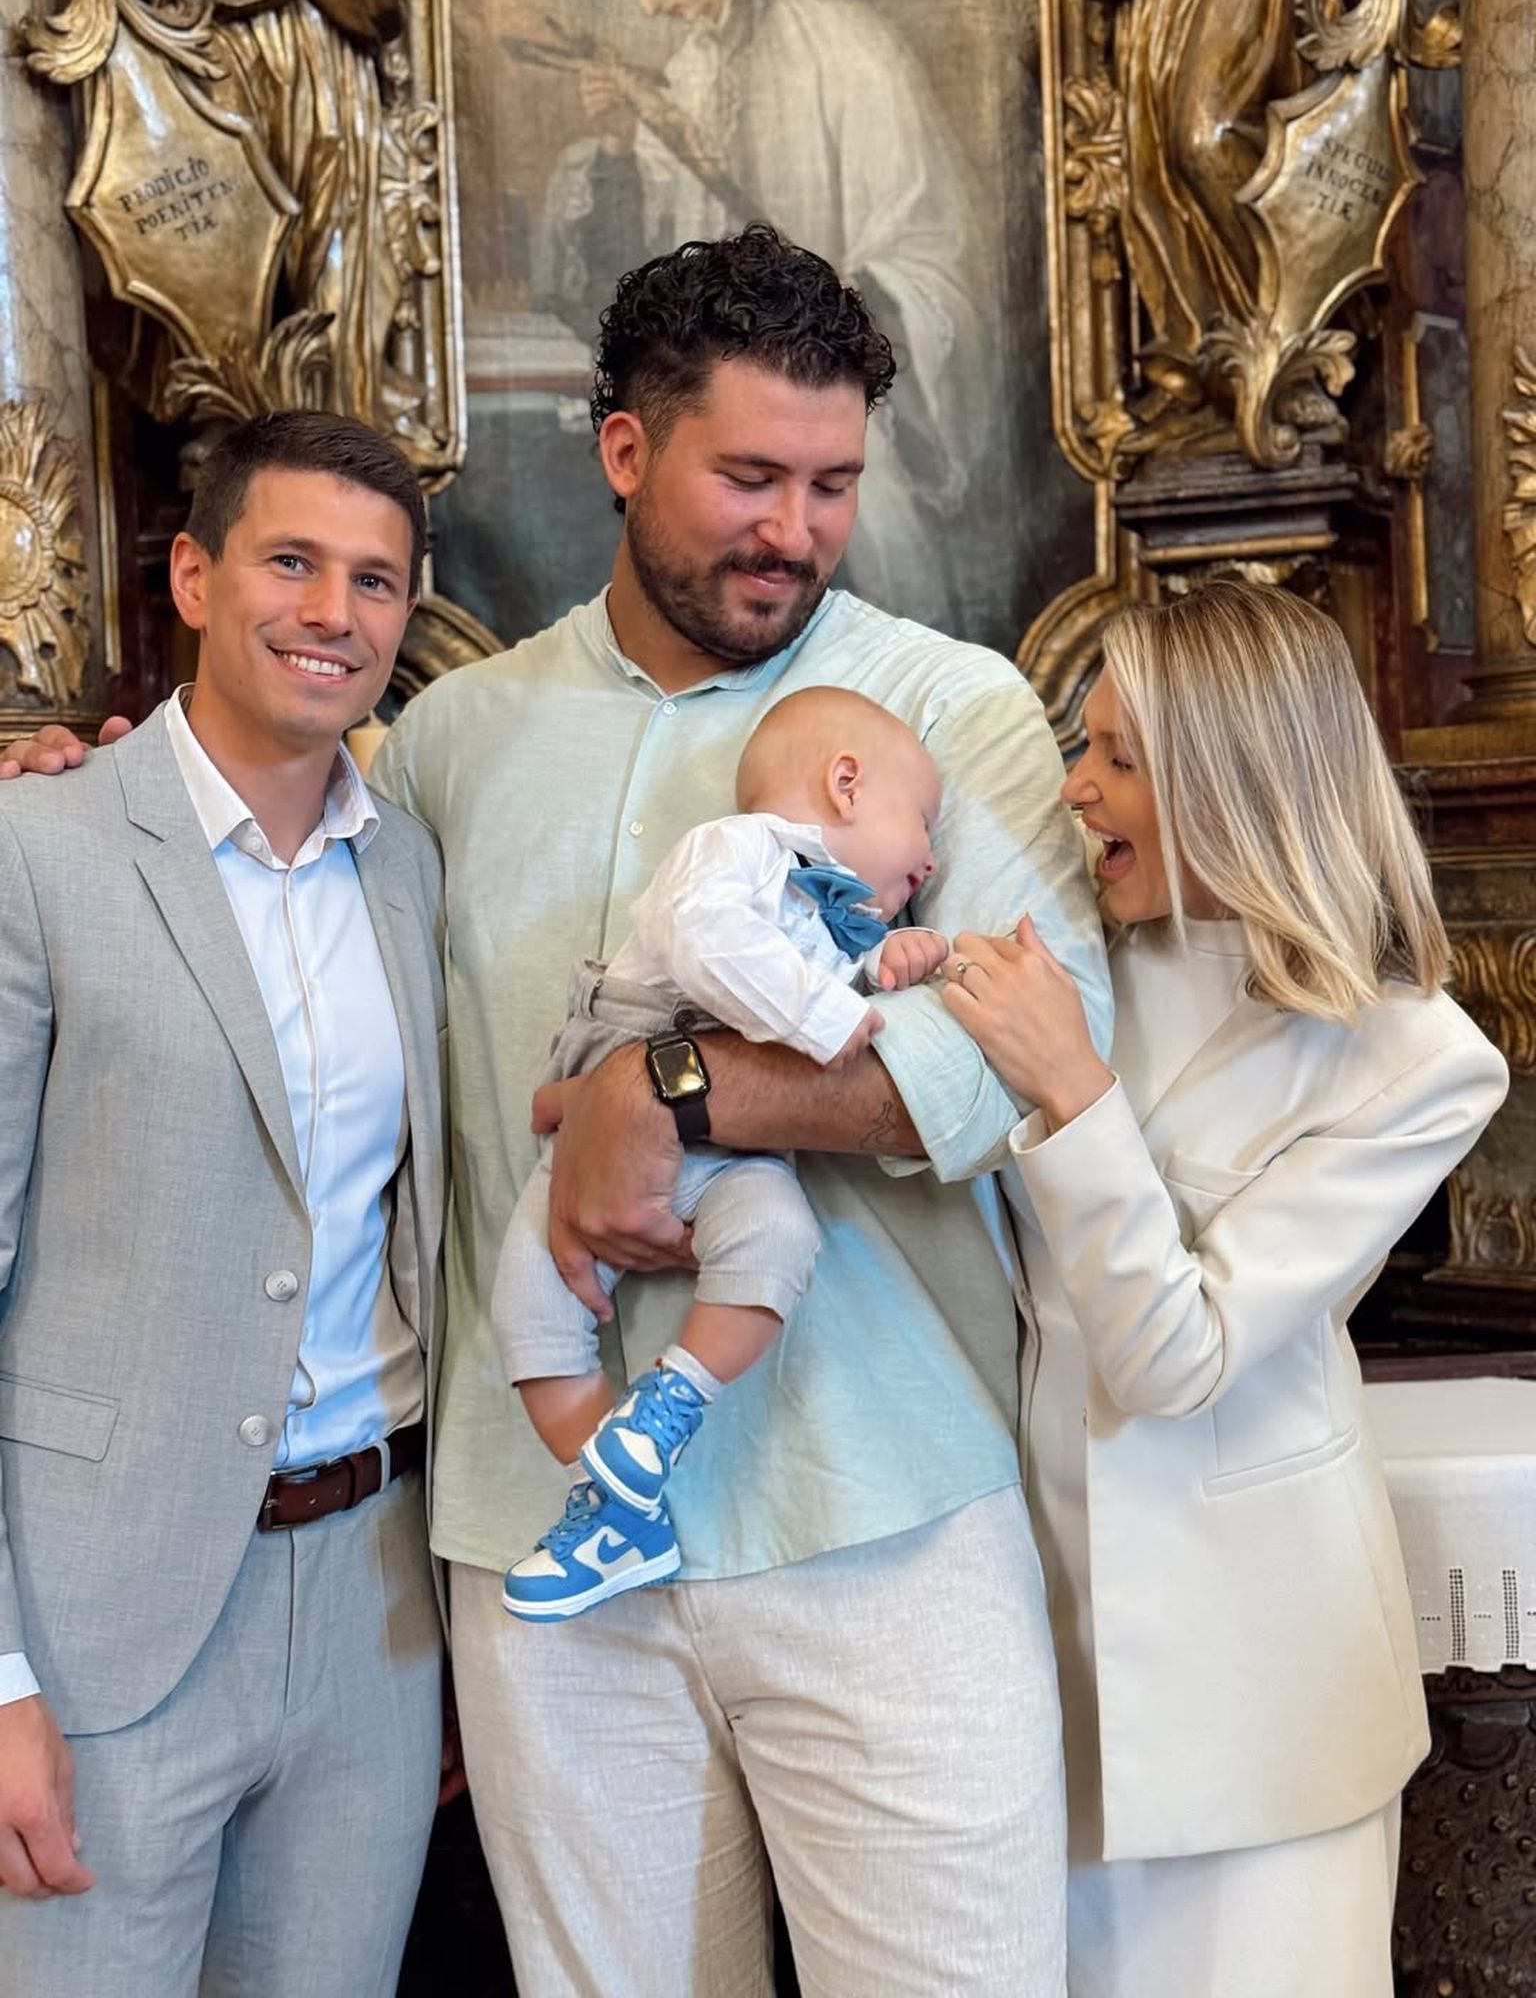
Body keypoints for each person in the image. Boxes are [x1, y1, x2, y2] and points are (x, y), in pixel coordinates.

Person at [6, 226, 1108, 1995]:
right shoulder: (448, 743)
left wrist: (669, 1091)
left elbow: (1016, 1067)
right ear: (623, 449)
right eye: (747, 476)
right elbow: (251, 870)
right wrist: (71, 786)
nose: (794, 529)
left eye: (831, 484)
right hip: (539, 1560)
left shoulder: (949, 709)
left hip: (881, 1522)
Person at [939, 581, 1508, 1998]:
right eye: (1081, 747)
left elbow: (1175, 1357)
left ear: (1235, 777)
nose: (1075, 789)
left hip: (1261, 1706)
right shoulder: (1068, 961)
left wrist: (1071, 1088)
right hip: (1030, 1666)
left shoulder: (1415, 1059)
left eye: (1119, 756)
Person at [0, 411, 447, 1996]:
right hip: (98, 1623)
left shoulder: (409, 868)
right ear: (194, 577)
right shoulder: (36, 846)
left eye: (376, 580)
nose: (335, 612)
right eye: (293, 563)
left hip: (373, 1614)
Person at [494, 687, 948, 1620]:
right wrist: (829, 1012)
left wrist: (887, 965)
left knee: (781, 1237)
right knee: (529, 1308)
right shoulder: (736, 849)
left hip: (736, 1144)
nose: (933, 857)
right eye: (924, 822)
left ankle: (667, 1410)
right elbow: (709, 942)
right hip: (608, 1103)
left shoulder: (831, 923)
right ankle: (614, 1513)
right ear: (846, 783)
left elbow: (831, 983)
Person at [536, 0, 1008, 636]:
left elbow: (925, 244)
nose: (648, 5)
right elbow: (654, 275)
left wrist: (819, 340)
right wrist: (620, 145)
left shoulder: (846, 47)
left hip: (836, 381)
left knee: (880, 531)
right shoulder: (688, 77)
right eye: (749, 480)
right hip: (716, 397)